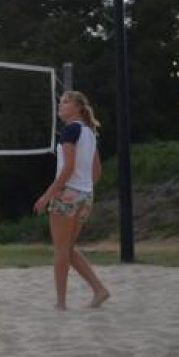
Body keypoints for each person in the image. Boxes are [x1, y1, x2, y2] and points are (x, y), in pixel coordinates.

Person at [33, 91, 110, 311]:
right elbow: (96, 170)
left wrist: (47, 195)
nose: (60, 104)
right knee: (67, 248)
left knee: (60, 250)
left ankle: (61, 302)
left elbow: (68, 168)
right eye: (60, 101)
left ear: (78, 107)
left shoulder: (70, 130)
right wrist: (85, 189)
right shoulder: (90, 132)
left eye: (66, 101)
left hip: (68, 194)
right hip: (85, 196)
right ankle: (99, 290)